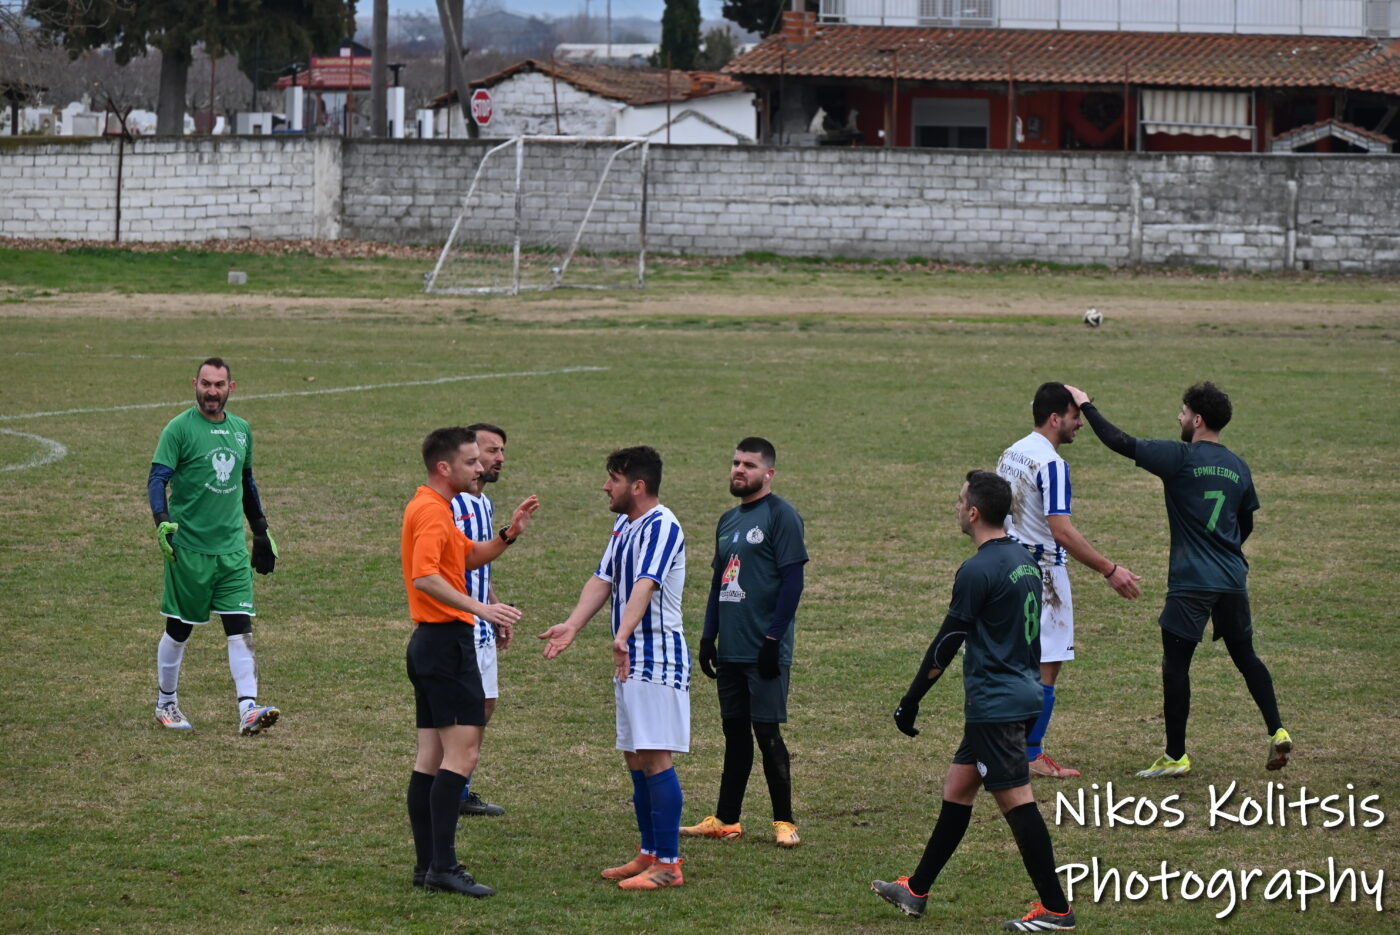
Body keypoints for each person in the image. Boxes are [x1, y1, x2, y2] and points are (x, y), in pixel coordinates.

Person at [872, 470, 1076, 932]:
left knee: (1017, 801)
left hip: (995, 705)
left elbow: (947, 642)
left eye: (960, 500)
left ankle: (1057, 909)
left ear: (975, 512)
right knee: (959, 788)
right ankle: (916, 889)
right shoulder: (1024, 560)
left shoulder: (977, 570)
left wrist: (911, 700)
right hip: (1022, 693)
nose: (956, 506)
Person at [1064, 382, 1291, 778]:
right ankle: (1278, 730)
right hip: (1232, 579)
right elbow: (1245, 524)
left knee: (1176, 666)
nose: (1179, 418)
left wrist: (1085, 405)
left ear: (1197, 420)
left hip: (1192, 583)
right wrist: (1223, 551)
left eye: (1183, 413)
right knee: (1246, 656)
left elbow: (1120, 442)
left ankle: (1175, 756)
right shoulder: (1238, 466)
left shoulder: (1180, 457)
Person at [539, 446, 690, 891]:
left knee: (655, 755)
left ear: (637, 485)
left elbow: (646, 583)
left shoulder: (663, 525)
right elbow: (602, 578)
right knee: (635, 756)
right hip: (630, 659)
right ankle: (649, 852)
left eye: (613, 479)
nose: (606, 486)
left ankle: (669, 865)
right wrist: (572, 624)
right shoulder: (625, 525)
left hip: (656, 656)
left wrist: (622, 635)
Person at [402, 427, 538, 896]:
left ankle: (427, 867)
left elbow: (467, 557)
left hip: (432, 645)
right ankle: (443, 866)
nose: (480, 467)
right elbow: (424, 577)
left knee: (430, 759)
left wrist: (509, 534)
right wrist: (482, 609)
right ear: (445, 467)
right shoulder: (432, 512)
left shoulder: (434, 507)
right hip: (446, 646)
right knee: (463, 755)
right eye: (471, 461)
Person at [995, 381, 1142, 778]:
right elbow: (1061, 531)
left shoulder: (1011, 452)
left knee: (1013, 661)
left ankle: (1002, 746)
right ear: (1055, 418)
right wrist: (1110, 569)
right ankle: (1031, 754)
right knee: (1048, 665)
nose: (1080, 424)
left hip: (1007, 568)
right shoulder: (1053, 465)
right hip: (1044, 576)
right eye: (1076, 416)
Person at [682, 437, 807, 848]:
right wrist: (708, 636)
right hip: (731, 649)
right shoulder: (727, 521)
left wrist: (773, 638)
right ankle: (726, 819)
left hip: (764, 650)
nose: (739, 470)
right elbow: (719, 583)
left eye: (749, 465)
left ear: (768, 473)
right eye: (736, 463)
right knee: (734, 733)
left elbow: (793, 583)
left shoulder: (782, 516)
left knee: (767, 733)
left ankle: (784, 821)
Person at [148, 357, 281, 735]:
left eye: (219, 385)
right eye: (205, 384)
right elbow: (157, 479)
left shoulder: (241, 430)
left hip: (231, 551)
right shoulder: (179, 429)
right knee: (179, 629)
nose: (211, 391)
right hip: (189, 549)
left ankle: (248, 709)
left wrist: (260, 530)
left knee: (240, 627)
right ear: (194, 384)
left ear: (230, 388)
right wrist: (162, 522)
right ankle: (166, 702)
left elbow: (247, 482)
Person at [450, 422, 511, 818]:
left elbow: (477, 564)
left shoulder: (484, 504)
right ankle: (446, 790)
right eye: (491, 451)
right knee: (461, 711)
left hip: (481, 622)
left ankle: (459, 789)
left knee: (485, 704)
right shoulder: (452, 504)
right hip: (459, 623)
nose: (499, 458)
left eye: (502, 451)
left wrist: (496, 609)